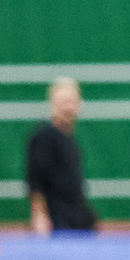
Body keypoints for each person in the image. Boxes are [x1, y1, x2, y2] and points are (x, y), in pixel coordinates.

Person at [26, 78, 95, 235]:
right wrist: (39, 215)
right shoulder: (43, 136)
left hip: (77, 218)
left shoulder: (69, 138)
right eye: (64, 102)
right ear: (53, 105)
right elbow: (35, 180)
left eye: (72, 102)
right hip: (57, 221)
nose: (69, 108)